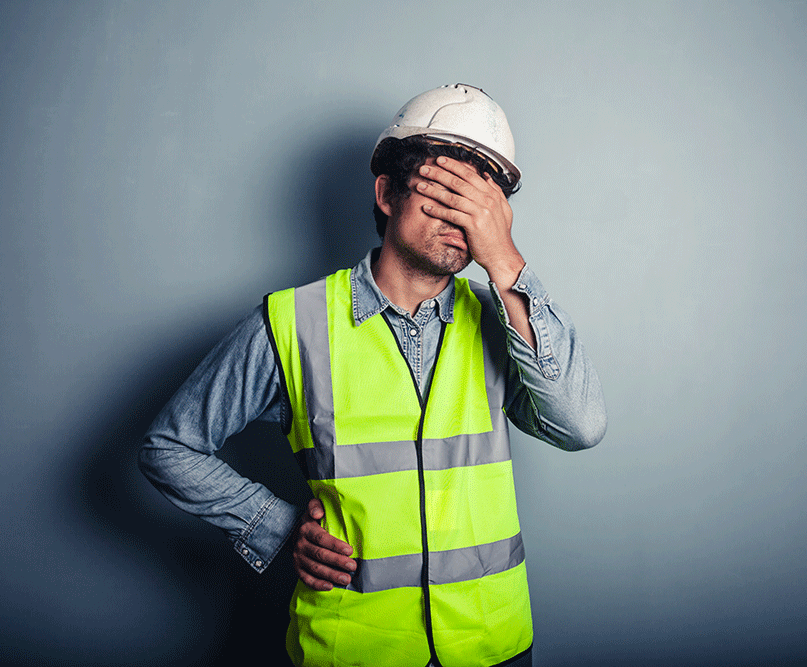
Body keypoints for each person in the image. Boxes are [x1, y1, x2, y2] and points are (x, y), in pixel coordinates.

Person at [140, 83, 606, 667]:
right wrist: (277, 527)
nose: (461, 219)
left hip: (495, 649)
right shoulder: (294, 322)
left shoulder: (505, 321)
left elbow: (581, 426)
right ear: (387, 194)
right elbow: (170, 446)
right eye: (445, 192)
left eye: (479, 205)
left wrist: (506, 261)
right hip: (353, 652)